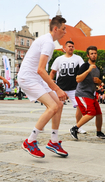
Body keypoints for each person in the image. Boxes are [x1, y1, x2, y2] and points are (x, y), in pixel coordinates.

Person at [17, 16, 68, 158]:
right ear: (56, 28)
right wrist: (57, 89)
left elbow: (40, 70)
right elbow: (41, 69)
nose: (65, 32)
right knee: (53, 106)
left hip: (36, 78)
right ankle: (30, 141)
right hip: (28, 77)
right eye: (64, 29)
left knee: (59, 104)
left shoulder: (47, 40)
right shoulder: (48, 43)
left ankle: (53, 141)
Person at [69, 46, 105, 140]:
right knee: (91, 112)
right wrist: (88, 70)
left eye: (95, 53)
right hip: (82, 93)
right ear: (88, 55)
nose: (94, 55)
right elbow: (78, 79)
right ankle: (74, 128)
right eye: (92, 53)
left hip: (91, 94)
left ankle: (99, 132)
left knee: (99, 113)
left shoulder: (98, 68)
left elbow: (100, 82)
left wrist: (98, 81)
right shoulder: (85, 66)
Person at [50, 41, 86, 134]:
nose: (71, 48)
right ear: (65, 48)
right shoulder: (59, 59)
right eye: (69, 46)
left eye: (72, 46)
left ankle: (78, 126)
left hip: (74, 88)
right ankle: (50, 126)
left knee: (80, 106)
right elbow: (53, 72)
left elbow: (83, 70)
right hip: (60, 88)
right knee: (54, 107)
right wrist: (50, 83)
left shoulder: (78, 58)